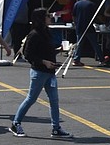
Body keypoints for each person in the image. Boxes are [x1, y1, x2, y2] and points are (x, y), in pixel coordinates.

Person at [10, 8, 72, 138]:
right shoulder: (34, 34)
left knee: (54, 100)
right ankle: (16, 123)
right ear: (41, 19)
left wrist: (59, 50)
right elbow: (28, 54)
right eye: (48, 16)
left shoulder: (46, 32)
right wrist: (44, 62)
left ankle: (56, 128)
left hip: (50, 72)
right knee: (31, 98)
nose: (50, 17)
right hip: (39, 72)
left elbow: (46, 50)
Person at [71, 0, 106, 66]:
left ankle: (76, 59)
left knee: (79, 44)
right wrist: (104, 21)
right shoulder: (92, 4)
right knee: (95, 44)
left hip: (80, 27)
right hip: (89, 27)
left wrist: (76, 23)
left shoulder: (77, 4)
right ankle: (101, 59)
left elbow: (73, 15)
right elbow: (97, 15)